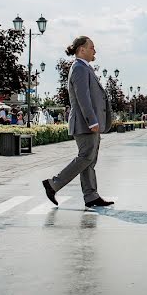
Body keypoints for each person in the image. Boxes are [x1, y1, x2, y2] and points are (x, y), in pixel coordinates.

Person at [41, 35, 114, 209]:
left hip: (88, 123)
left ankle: (91, 196)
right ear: (82, 49)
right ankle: (53, 184)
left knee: (90, 159)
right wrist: (92, 121)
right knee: (86, 157)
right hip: (85, 124)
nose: (94, 51)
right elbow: (83, 98)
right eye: (92, 47)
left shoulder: (84, 68)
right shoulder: (80, 68)